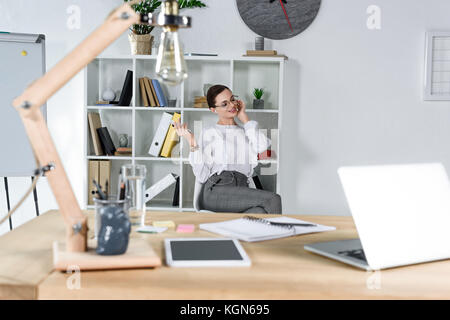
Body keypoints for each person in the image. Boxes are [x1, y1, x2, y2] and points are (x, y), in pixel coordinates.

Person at [174, 84, 282, 214]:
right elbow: (202, 175)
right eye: (224, 104)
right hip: (217, 190)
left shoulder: (246, 131)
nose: (232, 105)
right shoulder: (209, 132)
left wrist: (244, 118)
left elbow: (263, 146)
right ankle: (285, 233)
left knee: (260, 213)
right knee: (273, 199)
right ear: (213, 110)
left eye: (232, 99)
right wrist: (191, 141)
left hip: (242, 188)